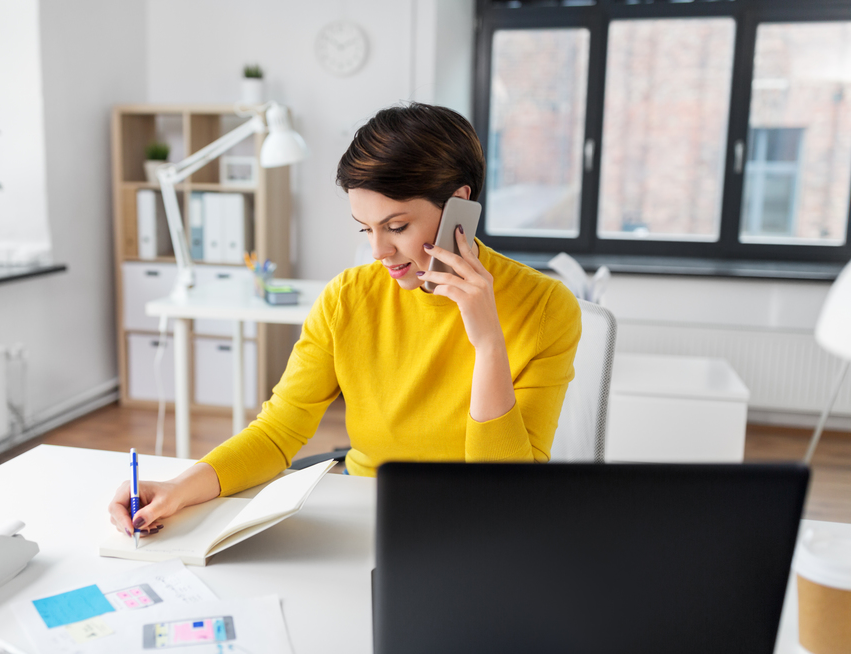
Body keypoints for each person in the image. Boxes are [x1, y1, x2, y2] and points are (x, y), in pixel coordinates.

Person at [109, 102, 581, 538]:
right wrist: (178, 487)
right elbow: (278, 433)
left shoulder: (545, 307)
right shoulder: (347, 298)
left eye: (397, 227)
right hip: (368, 514)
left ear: (459, 205)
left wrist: (488, 345)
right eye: (366, 229)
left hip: (478, 527)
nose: (379, 252)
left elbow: (506, 490)